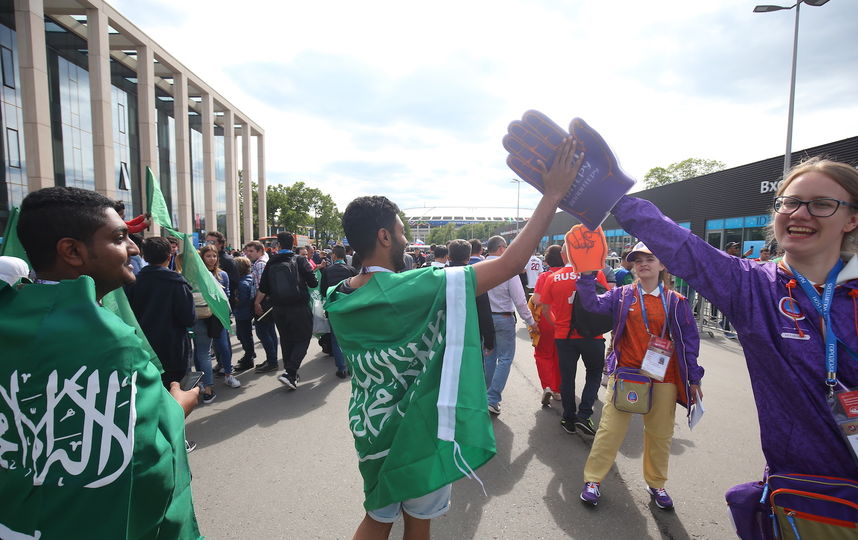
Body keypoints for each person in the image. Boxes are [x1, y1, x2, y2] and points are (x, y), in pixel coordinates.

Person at [325, 136, 584, 540]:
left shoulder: (339, 297)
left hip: (370, 425)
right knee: (418, 521)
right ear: (384, 237)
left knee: (376, 516)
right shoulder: (416, 287)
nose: (407, 238)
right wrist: (552, 193)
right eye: (401, 230)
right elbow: (511, 263)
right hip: (417, 428)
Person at [593, 157, 858, 515]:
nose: (799, 214)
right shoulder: (753, 286)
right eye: (790, 202)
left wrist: (691, 375)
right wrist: (612, 196)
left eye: (822, 204)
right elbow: (686, 248)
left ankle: (656, 484)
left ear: (852, 219)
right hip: (802, 501)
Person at [1, 186, 200, 538]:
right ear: (72, 251)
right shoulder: (110, 342)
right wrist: (176, 409)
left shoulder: (11, 317)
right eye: (119, 237)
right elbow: (144, 461)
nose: (134, 247)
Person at [575, 242, 703, 509]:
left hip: (664, 378)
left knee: (660, 434)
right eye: (637, 259)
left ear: (662, 264)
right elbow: (590, 304)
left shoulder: (676, 302)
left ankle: (656, 484)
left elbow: (689, 343)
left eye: (650, 258)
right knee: (610, 430)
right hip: (627, 374)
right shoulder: (621, 295)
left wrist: (694, 379)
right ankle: (593, 480)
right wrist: (587, 275)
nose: (643, 263)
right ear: (632, 264)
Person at [540, 236, 610, 436]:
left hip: (564, 336)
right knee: (594, 373)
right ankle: (585, 414)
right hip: (592, 335)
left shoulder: (552, 277)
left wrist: (559, 325)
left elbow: (545, 310)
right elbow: (606, 301)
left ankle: (568, 418)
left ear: (564, 255)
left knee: (567, 378)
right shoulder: (595, 275)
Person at [126, 237, 197, 388]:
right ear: (169, 256)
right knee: (175, 391)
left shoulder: (133, 282)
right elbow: (189, 318)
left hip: (143, 349)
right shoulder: (177, 283)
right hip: (173, 350)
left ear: (144, 257)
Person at [255, 231, 318, 390]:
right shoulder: (300, 260)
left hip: (279, 309)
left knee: (286, 339)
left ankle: (291, 375)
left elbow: (263, 287)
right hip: (299, 307)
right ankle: (290, 372)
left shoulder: (271, 262)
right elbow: (313, 283)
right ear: (293, 244)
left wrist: (258, 302)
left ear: (279, 245)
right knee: (303, 338)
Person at [483, 235, 537, 416]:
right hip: (504, 317)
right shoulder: (507, 268)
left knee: (489, 356)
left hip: (485, 319)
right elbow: (520, 301)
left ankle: (485, 395)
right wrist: (530, 322)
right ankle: (492, 398)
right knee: (505, 358)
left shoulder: (480, 268)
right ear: (500, 248)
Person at [193, 244, 239, 399]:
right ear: (202, 258)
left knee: (223, 346)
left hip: (218, 317)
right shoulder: (195, 275)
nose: (212, 259)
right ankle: (202, 381)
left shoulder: (222, 275)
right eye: (208, 256)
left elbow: (226, 297)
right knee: (201, 350)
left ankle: (228, 375)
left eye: (214, 256)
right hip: (200, 315)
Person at [529, 244, 564, 406]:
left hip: (546, 319)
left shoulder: (545, 276)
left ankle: (547, 386)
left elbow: (537, 299)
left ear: (548, 259)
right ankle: (558, 389)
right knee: (560, 355)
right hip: (565, 320)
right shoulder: (570, 275)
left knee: (543, 354)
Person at [319, 244, 358, 378]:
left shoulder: (327, 271)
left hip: (334, 308)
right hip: (350, 309)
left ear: (334, 256)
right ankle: (352, 367)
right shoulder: (351, 269)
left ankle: (341, 368)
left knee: (335, 339)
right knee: (351, 338)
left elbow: (323, 291)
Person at [243, 240, 279, 373]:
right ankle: (272, 359)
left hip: (263, 301)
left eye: (251, 251)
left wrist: (257, 303)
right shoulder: (264, 261)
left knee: (262, 332)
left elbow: (262, 287)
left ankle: (272, 361)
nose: (248, 253)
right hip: (267, 301)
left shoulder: (260, 264)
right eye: (247, 251)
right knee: (269, 331)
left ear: (260, 251)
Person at [233, 256, 257, 372]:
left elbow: (241, 301)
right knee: (244, 335)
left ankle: (249, 356)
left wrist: (233, 300)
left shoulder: (242, 283)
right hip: (246, 313)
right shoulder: (250, 278)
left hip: (243, 313)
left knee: (244, 336)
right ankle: (250, 353)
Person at [205, 230, 238, 303]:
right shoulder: (201, 259)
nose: (208, 244)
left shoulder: (228, 260)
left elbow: (233, 284)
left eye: (212, 242)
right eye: (207, 242)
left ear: (220, 244)